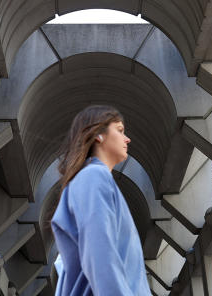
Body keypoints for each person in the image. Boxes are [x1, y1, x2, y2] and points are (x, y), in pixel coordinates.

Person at [51, 105, 148, 295]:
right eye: (119, 130)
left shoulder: (93, 180)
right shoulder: (93, 177)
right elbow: (101, 255)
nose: (127, 138)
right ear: (98, 135)